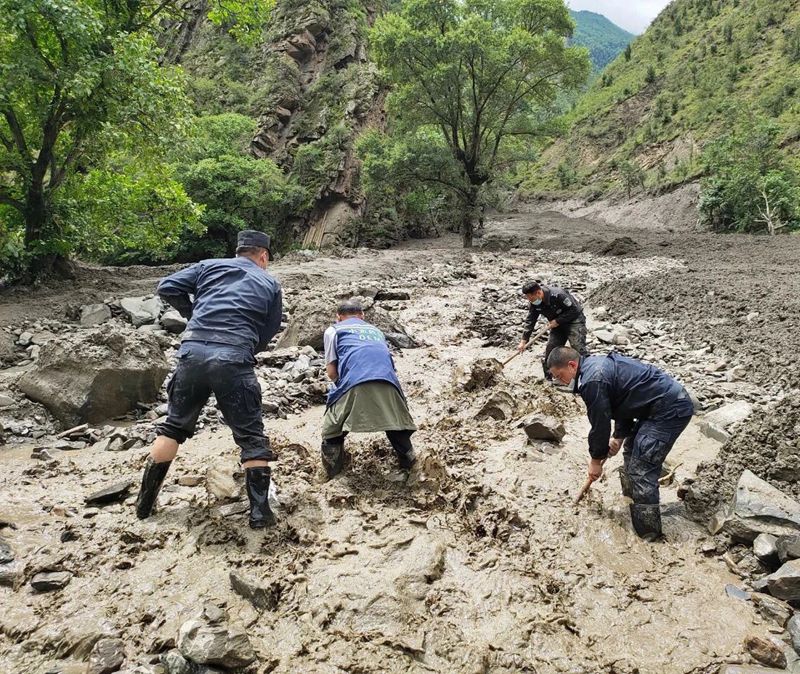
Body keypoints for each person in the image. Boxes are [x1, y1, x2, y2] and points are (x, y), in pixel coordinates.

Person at [135, 230, 283, 529]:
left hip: (193, 353)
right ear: (263, 256)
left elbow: (167, 286)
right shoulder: (269, 282)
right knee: (251, 436)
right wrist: (247, 347)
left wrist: (193, 313)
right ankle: (260, 515)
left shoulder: (209, 265)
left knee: (173, 427)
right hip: (234, 358)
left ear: (238, 250)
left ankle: (144, 506)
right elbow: (271, 328)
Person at [547, 347, 695, 540]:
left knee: (641, 468)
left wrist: (596, 460)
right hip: (653, 407)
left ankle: (649, 535)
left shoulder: (593, 380)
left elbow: (599, 425)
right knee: (631, 452)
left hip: (669, 409)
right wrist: (619, 436)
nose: (560, 381)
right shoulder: (594, 369)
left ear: (572, 365)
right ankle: (633, 503)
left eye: (560, 376)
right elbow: (624, 400)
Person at [320, 301, 417, 478]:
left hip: (355, 382)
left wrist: (340, 391)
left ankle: (332, 475)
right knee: (396, 426)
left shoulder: (334, 330)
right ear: (362, 316)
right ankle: (412, 469)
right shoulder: (376, 331)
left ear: (338, 317)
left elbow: (332, 371)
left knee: (332, 428)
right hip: (389, 382)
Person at [517, 281, 589, 381]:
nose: (530, 301)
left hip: (574, 321)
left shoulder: (558, 295)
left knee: (578, 348)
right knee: (551, 350)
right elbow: (531, 320)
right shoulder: (534, 302)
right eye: (528, 298)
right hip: (556, 325)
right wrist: (523, 341)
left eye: (531, 298)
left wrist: (558, 320)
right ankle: (549, 380)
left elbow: (575, 310)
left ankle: (585, 378)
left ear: (538, 293)